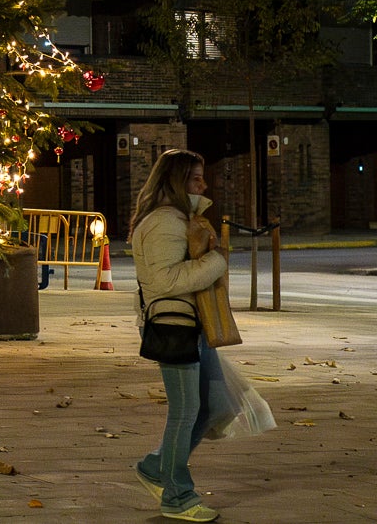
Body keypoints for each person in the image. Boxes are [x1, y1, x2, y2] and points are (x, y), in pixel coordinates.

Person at [131, 148, 229, 523]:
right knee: (186, 411)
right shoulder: (165, 222)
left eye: (202, 177)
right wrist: (216, 261)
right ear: (175, 180)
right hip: (175, 325)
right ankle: (177, 496)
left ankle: (157, 467)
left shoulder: (179, 217)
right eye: (194, 178)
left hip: (190, 324)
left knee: (209, 407)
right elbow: (165, 280)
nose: (203, 184)